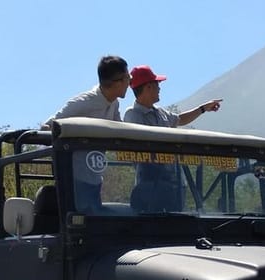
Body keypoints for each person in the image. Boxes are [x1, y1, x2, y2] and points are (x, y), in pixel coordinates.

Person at [123, 65, 222, 212]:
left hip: (174, 184)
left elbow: (179, 120)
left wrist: (203, 109)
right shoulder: (133, 115)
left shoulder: (160, 112)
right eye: (157, 84)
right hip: (150, 184)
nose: (160, 88)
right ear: (148, 87)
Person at [43, 55, 130, 212]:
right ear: (117, 81)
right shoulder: (84, 102)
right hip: (74, 182)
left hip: (94, 180)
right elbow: (48, 126)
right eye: (127, 78)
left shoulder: (114, 103)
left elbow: (120, 130)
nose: (129, 83)